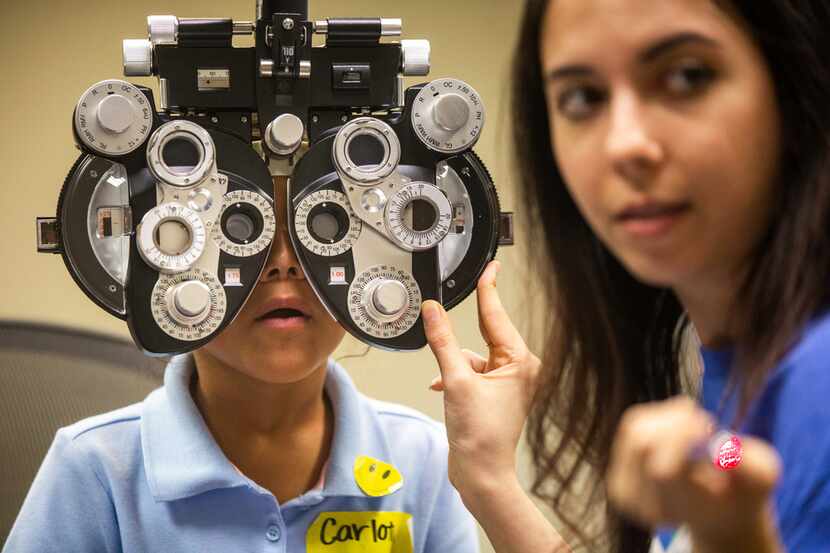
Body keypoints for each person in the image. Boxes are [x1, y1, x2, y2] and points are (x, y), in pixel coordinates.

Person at [420, 1, 830, 552]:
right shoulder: (738, 384)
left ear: (794, 84)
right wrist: (488, 479)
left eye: (687, 77)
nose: (624, 145)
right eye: (583, 97)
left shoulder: (817, 381)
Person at [4, 177, 478, 553]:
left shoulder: (424, 458)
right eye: (241, 230)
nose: (284, 264)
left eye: (322, 229)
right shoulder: (95, 468)